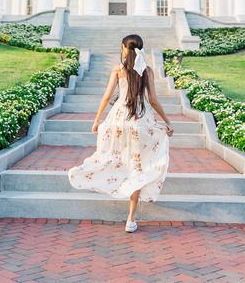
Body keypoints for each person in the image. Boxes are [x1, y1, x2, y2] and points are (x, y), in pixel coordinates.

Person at [68, 34, 174, 233]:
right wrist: (167, 121)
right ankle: (131, 219)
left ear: (124, 49)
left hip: (117, 120)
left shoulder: (119, 69)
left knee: (111, 158)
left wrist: (97, 120)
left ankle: (93, 176)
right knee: (138, 167)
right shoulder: (148, 71)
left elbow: (107, 96)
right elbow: (153, 100)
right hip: (139, 120)